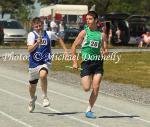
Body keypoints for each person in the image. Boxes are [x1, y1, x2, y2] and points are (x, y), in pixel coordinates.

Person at [71, 11, 108, 118]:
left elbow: (106, 50)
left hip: (98, 63)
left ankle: (89, 110)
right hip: (86, 63)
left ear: (96, 20)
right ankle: (88, 76)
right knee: (87, 88)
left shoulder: (102, 35)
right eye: (86, 19)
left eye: (90, 19)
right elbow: (73, 47)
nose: (87, 21)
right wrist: (74, 62)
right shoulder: (84, 32)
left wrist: (105, 52)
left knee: (96, 87)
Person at [27, 17, 68, 113]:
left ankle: (45, 97)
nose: (38, 27)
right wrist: (37, 43)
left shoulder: (49, 34)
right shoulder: (31, 35)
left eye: (40, 25)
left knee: (43, 75)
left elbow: (59, 39)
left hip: (45, 61)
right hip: (33, 63)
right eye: (36, 26)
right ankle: (32, 99)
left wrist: (65, 50)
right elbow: (29, 50)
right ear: (33, 26)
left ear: (42, 25)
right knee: (32, 86)